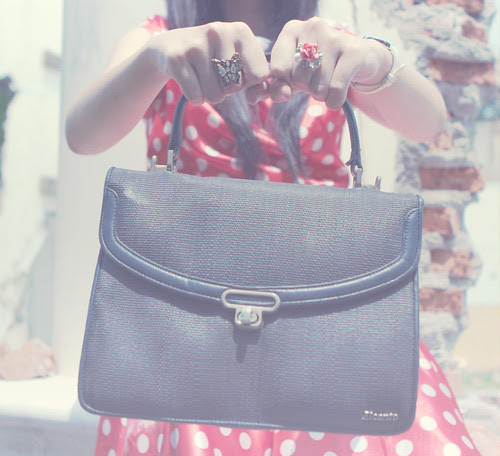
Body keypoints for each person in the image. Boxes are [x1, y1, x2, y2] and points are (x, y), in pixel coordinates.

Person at [65, 0, 480, 454]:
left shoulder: (327, 43)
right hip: (189, 320)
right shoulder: (160, 37)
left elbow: (429, 122)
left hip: (327, 308)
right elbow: (83, 135)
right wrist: (155, 59)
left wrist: (375, 58)